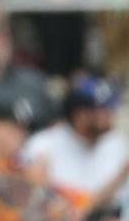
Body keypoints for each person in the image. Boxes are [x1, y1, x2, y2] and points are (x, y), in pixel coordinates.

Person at [22, 78, 129, 212]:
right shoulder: (43, 145)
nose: (111, 115)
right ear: (80, 114)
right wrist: (120, 177)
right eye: (104, 111)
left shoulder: (117, 145)